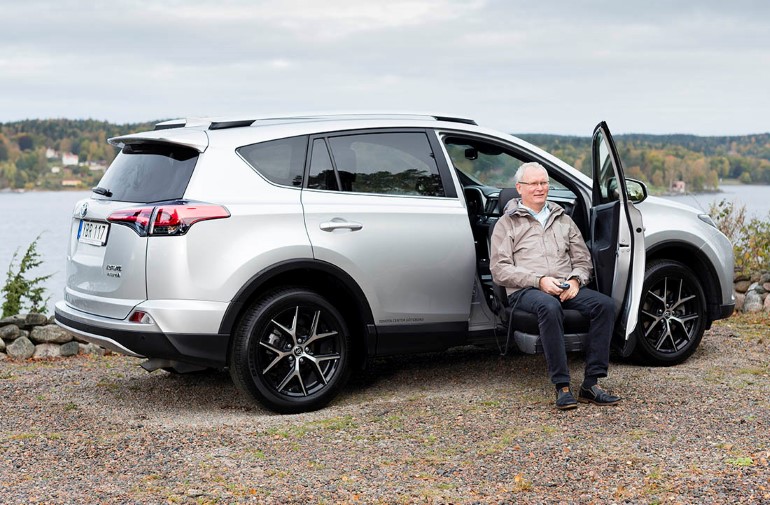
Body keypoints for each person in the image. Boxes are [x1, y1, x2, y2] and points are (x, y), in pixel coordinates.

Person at [490, 162, 621, 410]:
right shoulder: (507, 224)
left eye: (544, 183)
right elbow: (500, 270)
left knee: (604, 305)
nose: (540, 188)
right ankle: (562, 386)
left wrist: (575, 280)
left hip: (564, 284)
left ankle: (591, 384)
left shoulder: (563, 220)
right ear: (520, 188)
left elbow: (583, 259)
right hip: (526, 290)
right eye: (533, 184)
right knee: (549, 306)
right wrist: (538, 281)